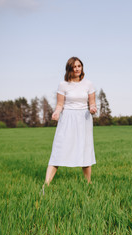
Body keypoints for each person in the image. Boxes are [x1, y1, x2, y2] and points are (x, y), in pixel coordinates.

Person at [42, 57, 97, 193]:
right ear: (69, 68)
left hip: (83, 119)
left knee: (85, 150)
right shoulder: (63, 85)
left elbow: (92, 102)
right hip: (67, 119)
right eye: (74, 66)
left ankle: (88, 184)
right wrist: (56, 112)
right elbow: (60, 104)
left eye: (79, 66)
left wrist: (93, 108)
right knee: (58, 150)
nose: (77, 69)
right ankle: (45, 186)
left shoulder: (88, 84)